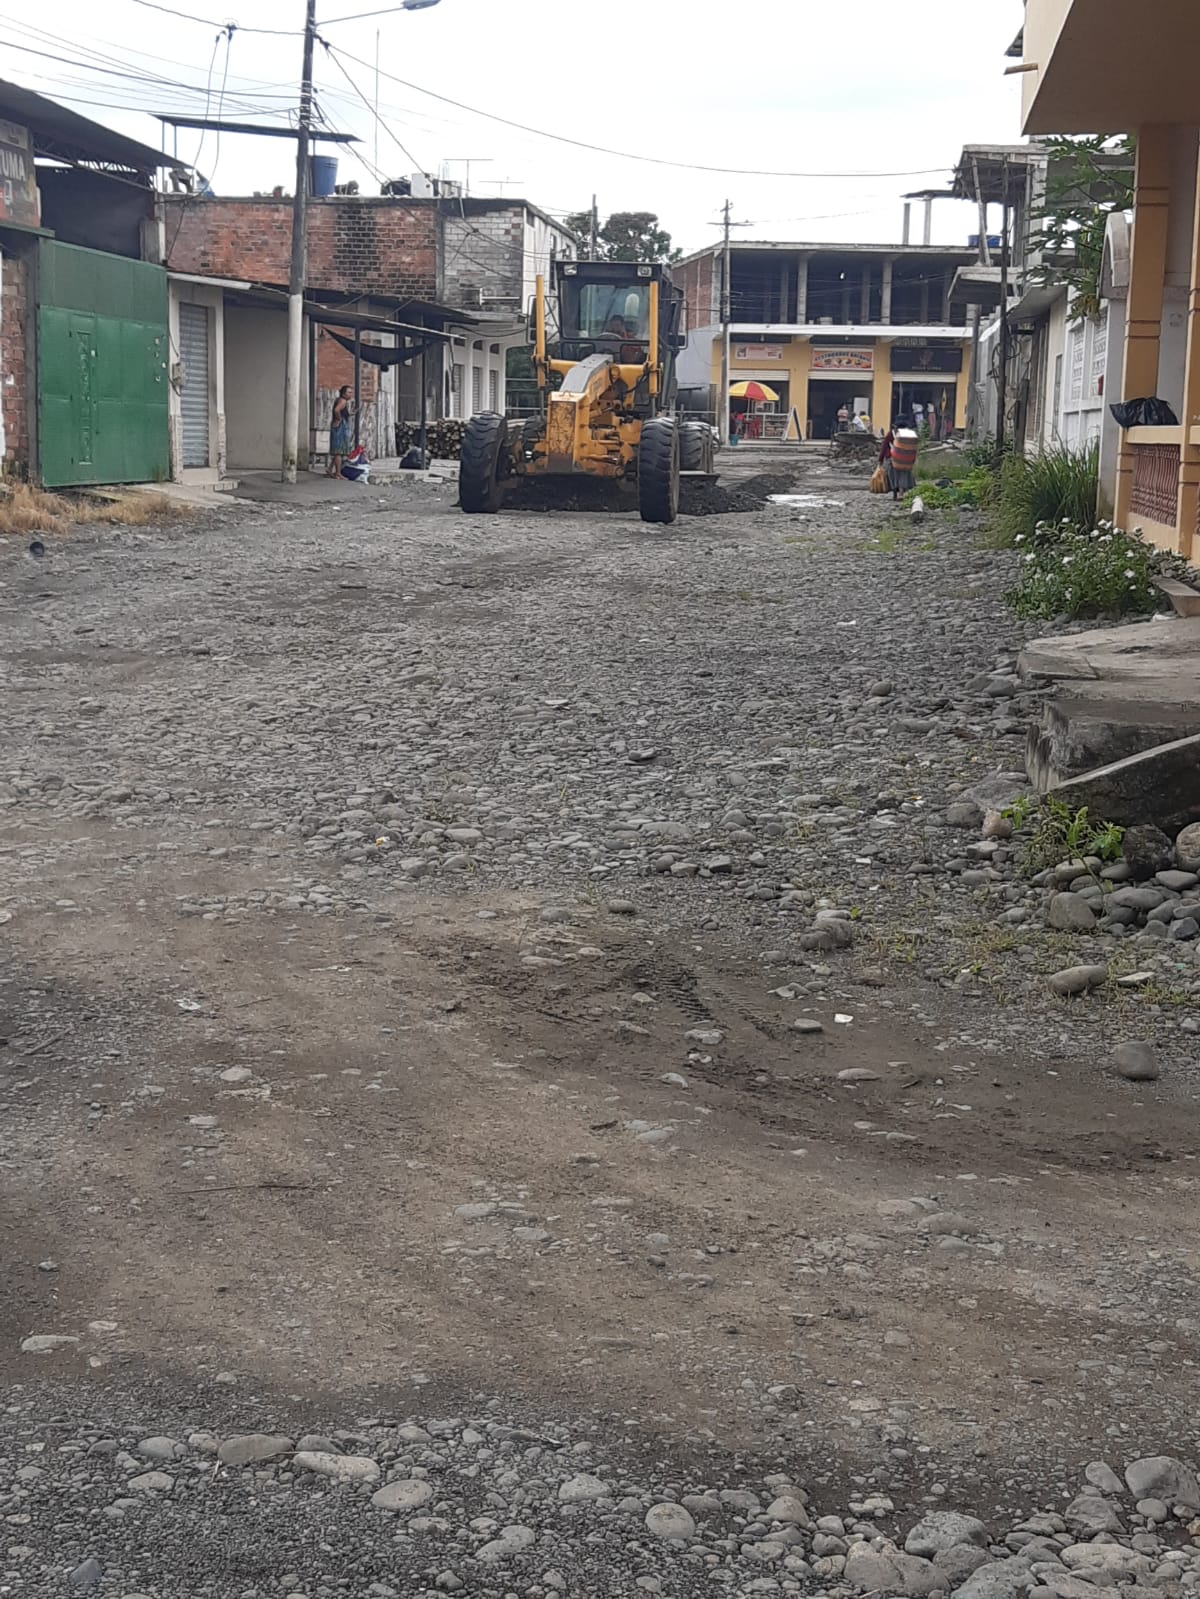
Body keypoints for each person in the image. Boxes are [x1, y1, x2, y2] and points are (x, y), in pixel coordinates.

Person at [879, 418, 918, 502]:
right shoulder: (909, 434)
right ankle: (901, 493)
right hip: (907, 459)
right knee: (904, 475)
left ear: (895, 425)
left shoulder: (892, 433)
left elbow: (884, 446)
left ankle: (895, 494)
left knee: (893, 476)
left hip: (893, 458)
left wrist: (880, 459)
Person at [328, 385, 352, 478]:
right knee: (339, 451)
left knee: (337, 450)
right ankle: (338, 473)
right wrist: (338, 419)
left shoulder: (339, 400)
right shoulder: (343, 401)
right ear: (343, 393)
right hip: (340, 427)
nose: (350, 394)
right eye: (349, 392)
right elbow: (336, 410)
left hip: (339, 426)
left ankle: (330, 469)